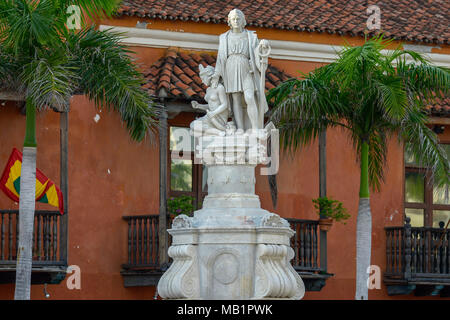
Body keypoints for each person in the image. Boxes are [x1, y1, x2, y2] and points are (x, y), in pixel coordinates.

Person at [212, 8, 270, 131]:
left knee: (249, 96)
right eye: (233, 19)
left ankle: (255, 128)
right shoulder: (224, 37)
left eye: (238, 18)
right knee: (236, 99)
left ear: (243, 20)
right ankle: (240, 128)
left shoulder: (250, 36)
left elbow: (256, 54)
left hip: (246, 68)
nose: (236, 21)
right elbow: (221, 58)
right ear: (229, 21)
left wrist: (262, 48)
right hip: (230, 68)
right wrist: (217, 75)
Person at [190, 64, 230, 136]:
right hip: (210, 116)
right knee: (192, 127)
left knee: (195, 128)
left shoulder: (220, 87)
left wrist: (213, 113)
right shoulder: (208, 89)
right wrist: (198, 106)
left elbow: (224, 104)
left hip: (218, 116)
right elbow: (210, 105)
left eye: (203, 78)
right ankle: (217, 133)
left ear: (209, 77)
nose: (202, 81)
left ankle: (219, 132)